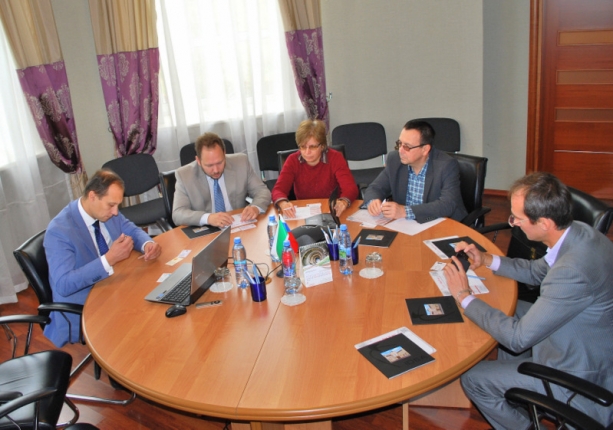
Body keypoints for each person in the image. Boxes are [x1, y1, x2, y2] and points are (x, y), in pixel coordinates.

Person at [443, 172, 613, 429]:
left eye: (517, 218)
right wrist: (487, 259)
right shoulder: (580, 233)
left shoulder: (572, 271)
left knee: (474, 380)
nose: (513, 224)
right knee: (505, 309)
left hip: (577, 375)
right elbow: (536, 271)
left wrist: (463, 295)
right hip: (581, 336)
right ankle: (515, 393)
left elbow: (517, 338)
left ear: (544, 223)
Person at [44, 169, 162, 347]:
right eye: (111, 205)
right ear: (92, 196)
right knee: (141, 325)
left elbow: (130, 229)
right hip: (87, 302)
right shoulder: (59, 231)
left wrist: (147, 244)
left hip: (114, 285)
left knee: (155, 304)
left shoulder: (106, 212)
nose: (115, 212)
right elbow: (64, 284)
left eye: (118, 206)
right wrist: (109, 259)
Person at [363, 119, 467, 222]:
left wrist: (405, 211)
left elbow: (447, 204)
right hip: (407, 224)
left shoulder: (446, 165)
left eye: (407, 147)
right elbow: (375, 188)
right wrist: (373, 201)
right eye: (399, 143)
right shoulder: (394, 160)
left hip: (442, 222)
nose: (400, 151)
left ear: (425, 149)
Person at [172, 132, 271, 227]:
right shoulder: (184, 175)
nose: (216, 170)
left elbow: (262, 191)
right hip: (207, 231)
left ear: (224, 153)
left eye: (219, 162)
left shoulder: (241, 162)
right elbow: (178, 214)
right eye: (209, 165)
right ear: (198, 160)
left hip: (238, 224)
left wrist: (255, 207)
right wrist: (208, 218)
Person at [272, 119, 358, 218]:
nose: (307, 152)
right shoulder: (293, 160)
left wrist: (343, 201)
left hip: (331, 211)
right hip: (304, 213)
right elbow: (278, 190)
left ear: (322, 146)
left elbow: (350, 188)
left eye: (312, 147)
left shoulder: (335, 158)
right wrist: (283, 203)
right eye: (303, 147)